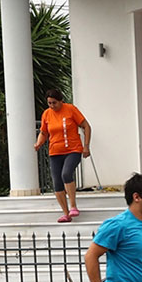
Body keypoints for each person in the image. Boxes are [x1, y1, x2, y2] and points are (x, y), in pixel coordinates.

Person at [34, 89, 91, 223]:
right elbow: (43, 132)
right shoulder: (47, 114)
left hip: (73, 149)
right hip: (55, 152)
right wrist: (38, 143)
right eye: (49, 103)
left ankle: (73, 206)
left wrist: (86, 146)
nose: (52, 106)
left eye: (54, 103)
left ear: (61, 101)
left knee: (66, 174)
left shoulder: (70, 109)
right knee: (57, 183)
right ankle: (66, 214)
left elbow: (86, 126)